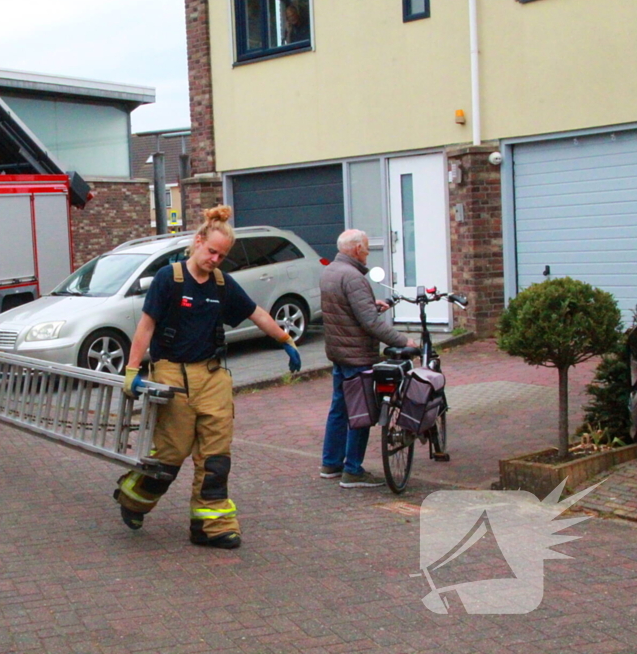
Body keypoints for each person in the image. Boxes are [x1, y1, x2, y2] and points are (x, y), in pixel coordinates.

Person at [113, 206, 302, 550]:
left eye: (222, 256)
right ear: (198, 242)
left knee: (216, 456)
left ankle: (211, 526)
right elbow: (146, 326)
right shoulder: (168, 278)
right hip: (172, 375)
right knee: (171, 454)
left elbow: (256, 313)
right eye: (212, 251)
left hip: (212, 376)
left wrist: (285, 339)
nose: (215, 259)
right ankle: (133, 499)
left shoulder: (221, 283)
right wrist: (132, 370)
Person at [320, 229, 417, 488]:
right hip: (357, 355)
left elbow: (345, 311)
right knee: (360, 411)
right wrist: (403, 341)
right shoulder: (353, 277)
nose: (367, 252)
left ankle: (331, 463)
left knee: (339, 409)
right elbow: (370, 324)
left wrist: (371, 306)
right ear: (356, 249)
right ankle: (353, 470)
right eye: (366, 248)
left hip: (340, 352)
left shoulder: (331, 271)